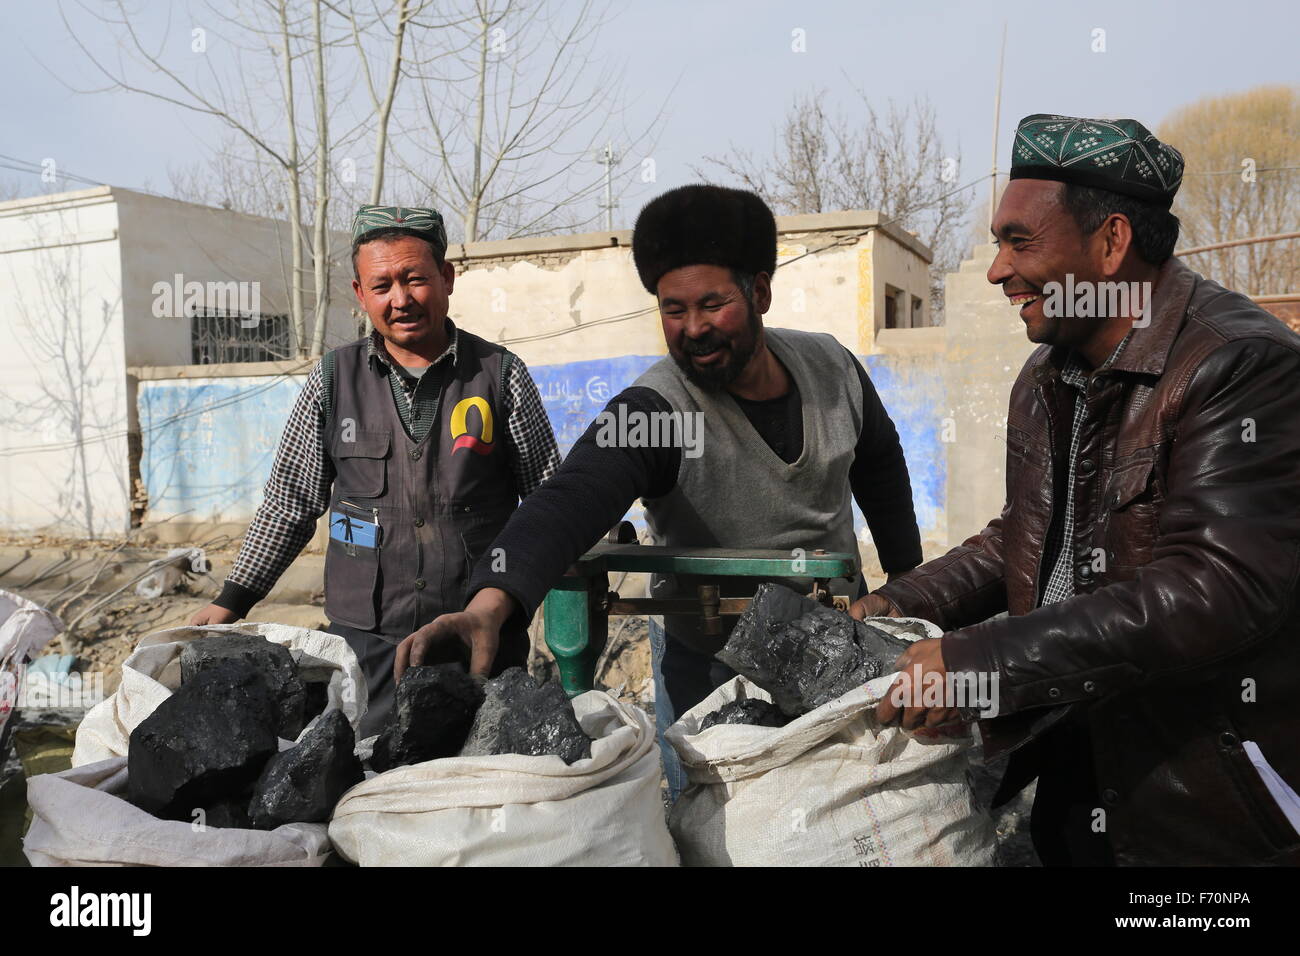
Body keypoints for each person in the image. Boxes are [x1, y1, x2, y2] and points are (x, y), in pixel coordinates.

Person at [855, 114, 1300, 865]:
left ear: (1112, 242)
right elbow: (1023, 539)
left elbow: (1212, 590)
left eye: (1019, 241)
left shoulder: (1239, 364)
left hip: (1210, 802)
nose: (997, 270)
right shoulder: (1047, 377)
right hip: (1077, 767)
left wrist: (976, 663)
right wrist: (895, 605)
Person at [398, 184, 922, 795]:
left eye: (712, 304)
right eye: (674, 310)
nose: (694, 329)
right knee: (713, 831)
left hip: (838, 651)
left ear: (760, 292)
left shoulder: (833, 368)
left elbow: (881, 468)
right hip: (713, 671)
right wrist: (489, 605)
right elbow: (570, 499)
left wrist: (911, 585)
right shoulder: (656, 410)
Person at [190, 205, 561, 737]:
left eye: (415, 279)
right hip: (367, 643)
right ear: (360, 295)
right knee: (371, 781)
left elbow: (549, 503)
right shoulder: (332, 379)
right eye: (382, 285)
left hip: (479, 636)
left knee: (479, 781)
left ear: (447, 278)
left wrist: (509, 601)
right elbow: (290, 502)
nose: (401, 299)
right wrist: (233, 599)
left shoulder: (500, 375)